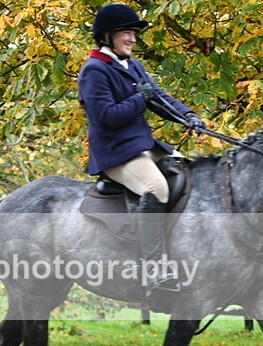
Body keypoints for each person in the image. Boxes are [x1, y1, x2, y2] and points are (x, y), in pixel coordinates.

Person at [77, 3, 205, 292]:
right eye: (127, 33)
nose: (133, 39)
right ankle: (154, 270)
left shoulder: (131, 64)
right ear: (107, 35)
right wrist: (139, 99)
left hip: (141, 145)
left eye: (134, 33)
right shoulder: (94, 70)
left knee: (188, 171)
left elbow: (157, 96)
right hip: (115, 151)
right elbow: (106, 118)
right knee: (156, 188)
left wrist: (187, 116)